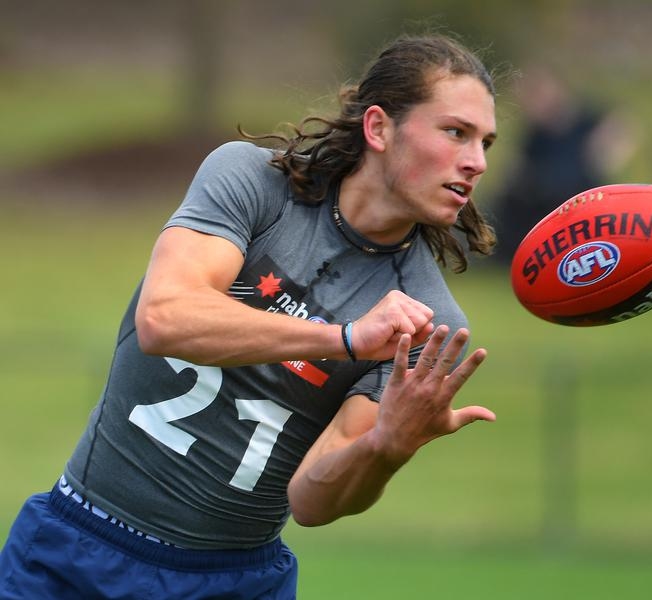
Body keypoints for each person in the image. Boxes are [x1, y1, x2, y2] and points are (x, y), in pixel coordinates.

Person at [0, 33, 499, 599]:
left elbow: (312, 501)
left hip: (230, 584)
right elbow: (164, 318)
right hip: (75, 549)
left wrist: (386, 447)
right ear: (379, 128)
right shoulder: (256, 183)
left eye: (485, 142)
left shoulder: (428, 319)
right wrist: (344, 338)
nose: (476, 162)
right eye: (455, 132)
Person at [489, 65, 636, 263]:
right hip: (541, 199)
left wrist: (605, 153)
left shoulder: (586, 119)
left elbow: (619, 135)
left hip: (581, 195)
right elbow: (522, 168)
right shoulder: (536, 134)